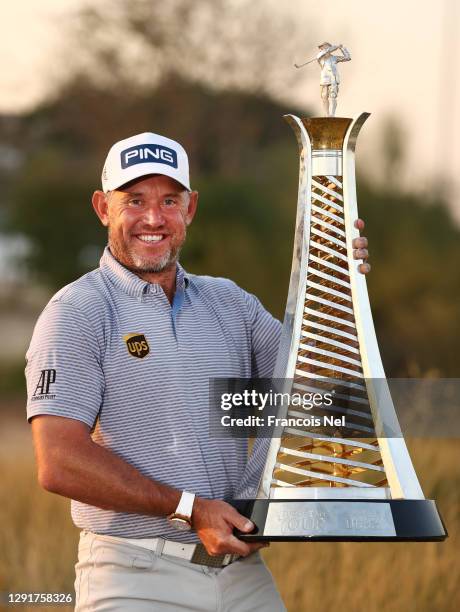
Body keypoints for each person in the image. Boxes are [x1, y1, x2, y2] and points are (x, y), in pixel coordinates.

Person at [25, 132, 370, 611]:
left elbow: (320, 392)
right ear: (103, 207)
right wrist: (190, 509)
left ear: (190, 209)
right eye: (134, 200)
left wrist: (336, 289)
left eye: (169, 200)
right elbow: (58, 461)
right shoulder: (78, 311)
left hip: (243, 576)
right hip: (134, 577)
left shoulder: (231, 302)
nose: (153, 218)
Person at [316, 42, 351, 117]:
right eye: (321, 48)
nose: (322, 49)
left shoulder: (335, 58)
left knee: (333, 97)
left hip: (333, 79)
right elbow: (326, 51)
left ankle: (332, 114)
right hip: (324, 80)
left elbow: (348, 57)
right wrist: (336, 46)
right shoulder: (320, 57)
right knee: (324, 96)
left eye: (323, 47)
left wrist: (342, 48)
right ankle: (327, 114)